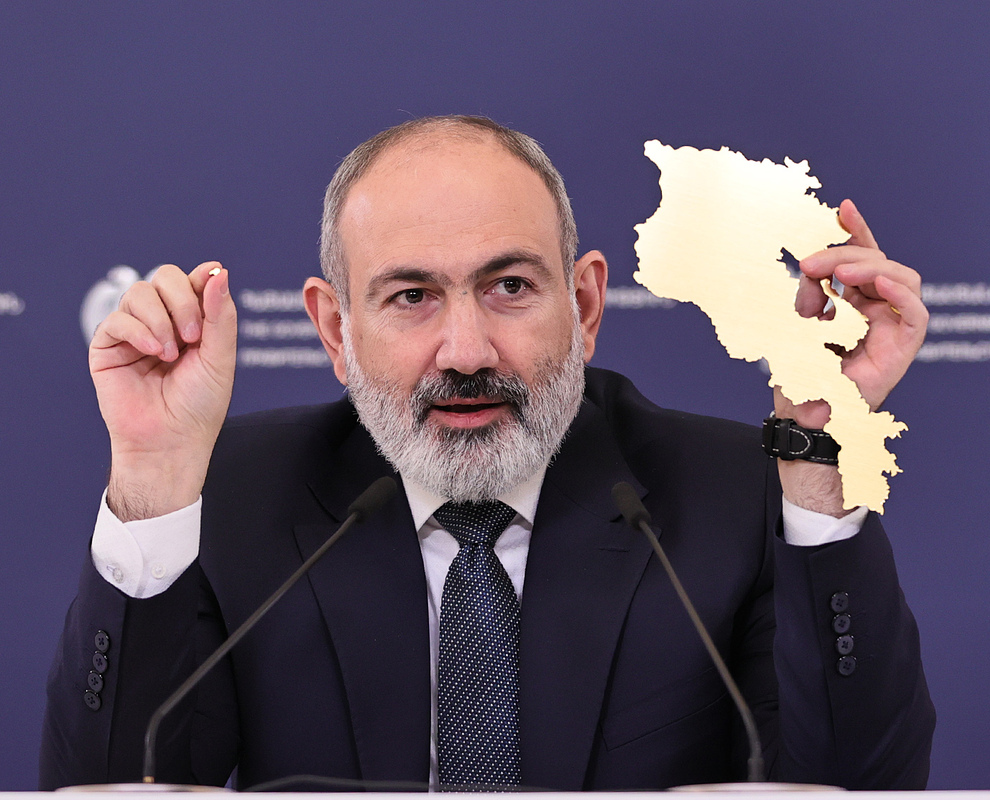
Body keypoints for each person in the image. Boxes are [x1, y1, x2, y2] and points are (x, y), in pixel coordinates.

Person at [41, 116, 934, 791]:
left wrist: (821, 450)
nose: (465, 352)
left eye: (509, 286)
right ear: (335, 330)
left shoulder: (730, 495)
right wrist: (154, 480)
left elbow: (860, 787)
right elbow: (110, 787)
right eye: (412, 297)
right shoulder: (236, 495)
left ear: (585, 306)